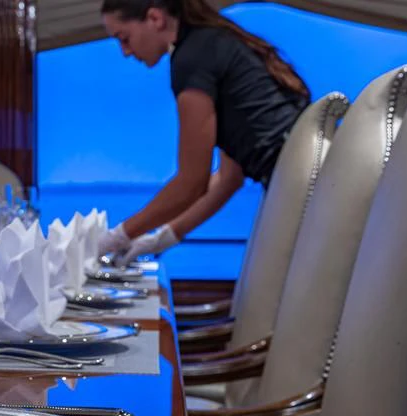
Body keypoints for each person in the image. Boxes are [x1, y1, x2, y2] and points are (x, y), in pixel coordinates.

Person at [97, 0, 309, 265]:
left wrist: (114, 237)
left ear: (155, 18)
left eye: (123, 38)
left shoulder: (191, 59)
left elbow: (192, 182)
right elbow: (229, 178)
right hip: (309, 185)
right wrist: (164, 237)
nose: (125, 52)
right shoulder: (211, 42)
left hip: (302, 192)